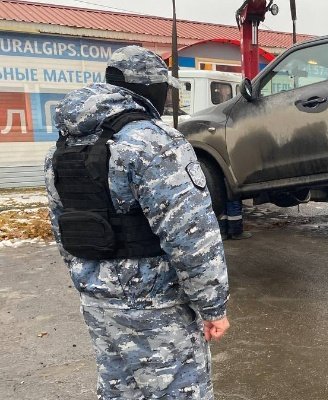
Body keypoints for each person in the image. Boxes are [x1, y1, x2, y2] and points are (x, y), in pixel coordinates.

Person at [45, 46, 230, 399]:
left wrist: (90, 283)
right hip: (156, 306)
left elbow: (61, 228)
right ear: (150, 89)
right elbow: (191, 236)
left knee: (119, 392)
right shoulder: (154, 142)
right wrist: (212, 306)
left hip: (98, 303)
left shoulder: (62, 146)